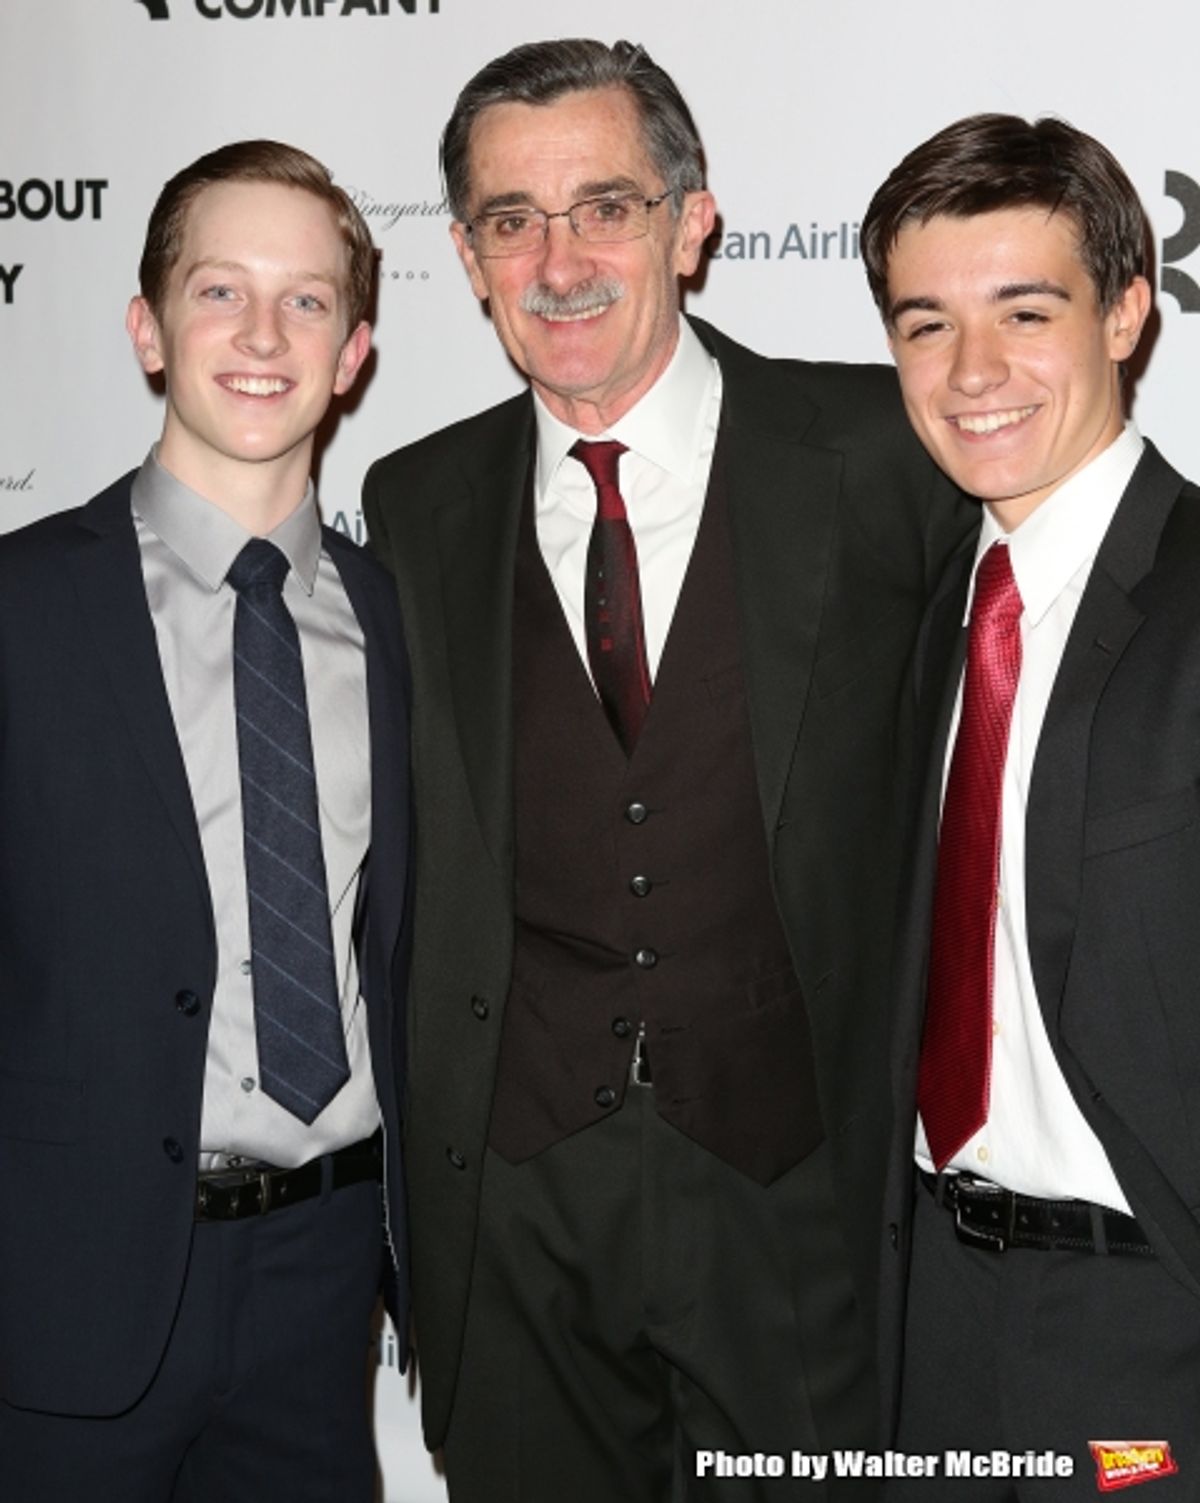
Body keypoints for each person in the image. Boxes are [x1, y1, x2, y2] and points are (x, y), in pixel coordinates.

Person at [365, 38, 970, 1502]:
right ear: (464, 253)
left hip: (798, 1206)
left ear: (693, 223)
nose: (558, 260)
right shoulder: (414, 500)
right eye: (511, 220)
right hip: (517, 1227)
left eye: (605, 207)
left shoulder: (887, 452)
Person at [0, 139, 411, 1503]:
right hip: (63, 1285)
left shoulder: (404, 625)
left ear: (352, 351)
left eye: (305, 301)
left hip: (324, 1281)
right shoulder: (20, 609)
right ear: (148, 330)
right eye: (219, 290)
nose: (261, 334)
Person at [861, 115, 1200, 1496]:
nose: (973, 372)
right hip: (927, 1307)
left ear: (1127, 312)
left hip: (1152, 1326)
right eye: (926, 324)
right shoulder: (918, 613)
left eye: (1025, 311)